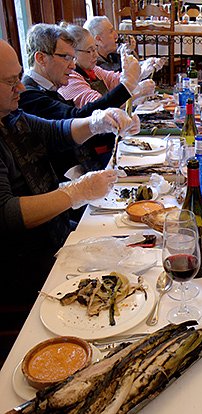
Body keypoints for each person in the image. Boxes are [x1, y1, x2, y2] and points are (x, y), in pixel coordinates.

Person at [1, 40, 139, 347]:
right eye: (11, 82)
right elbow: (6, 213)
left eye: (19, 78)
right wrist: (77, 192)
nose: (20, 88)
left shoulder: (10, 116)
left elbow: (57, 130)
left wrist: (97, 122)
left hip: (54, 233)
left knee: (133, 251)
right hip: (25, 260)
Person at [20, 24, 143, 175]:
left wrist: (119, 127)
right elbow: (74, 119)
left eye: (73, 58)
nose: (72, 65)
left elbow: (83, 130)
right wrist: (127, 86)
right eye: (66, 57)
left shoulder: (49, 87)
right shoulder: (28, 95)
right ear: (41, 58)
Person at [57, 24, 157, 109]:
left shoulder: (93, 70)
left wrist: (142, 71)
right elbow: (99, 106)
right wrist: (137, 92)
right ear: (73, 53)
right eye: (90, 51)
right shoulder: (69, 79)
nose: (96, 55)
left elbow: (115, 80)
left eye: (95, 49)